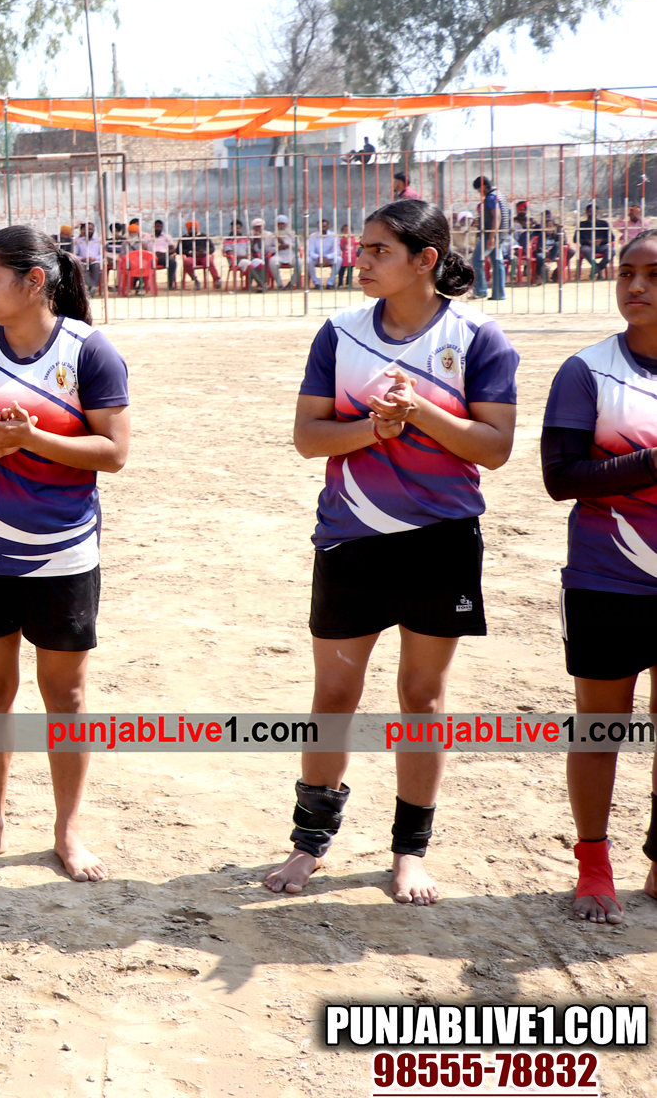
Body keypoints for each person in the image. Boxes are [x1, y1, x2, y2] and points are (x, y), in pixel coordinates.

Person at [265, 198, 519, 906]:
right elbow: (309, 436)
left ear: (425, 259)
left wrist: (421, 412)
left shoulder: (478, 337)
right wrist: (373, 431)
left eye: (379, 250)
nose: (362, 260)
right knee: (334, 695)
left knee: (422, 697)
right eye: (362, 248)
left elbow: (495, 448)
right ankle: (309, 843)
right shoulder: (340, 333)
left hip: (441, 540)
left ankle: (410, 851)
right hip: (350, 536)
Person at [0, 226, 130, 882]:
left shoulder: (89, 352)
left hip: (64, 552)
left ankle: (67, 832)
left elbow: (113, 452)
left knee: (65, 697)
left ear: (33, 281)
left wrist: (32, 438)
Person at [541, 230, 657, 922]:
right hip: (606, 579)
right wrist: (650, 463)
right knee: (600, 730)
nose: (636, 286)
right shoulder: (587, 371)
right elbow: (561, 477)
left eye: (654, 274)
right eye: (626, 273)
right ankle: (593, 865)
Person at [471, 175, 508, 301]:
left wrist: (491, 236)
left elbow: (497, 217)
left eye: (478, 190)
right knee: (497, 262)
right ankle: (499, 293)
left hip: (490, 235)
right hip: (501, 234)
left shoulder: (491, 197)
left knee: (476, 260)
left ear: (483, 186)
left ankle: (480, 291)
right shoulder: (499, 195)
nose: (479, 192)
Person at [307, 217, 341, 290]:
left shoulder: (333, 235)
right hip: (317, 257)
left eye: (324, 227)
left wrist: (327, 257)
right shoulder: (313, 236)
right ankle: (317, 283)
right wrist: (318, 257)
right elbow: (310, 251)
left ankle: (330, 283)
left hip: (329, 257)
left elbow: (337, 251)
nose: (322, 229)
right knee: (308, 260)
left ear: (328, 227)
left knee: (338, 260)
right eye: (320, 227)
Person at [178, 220, 213, 289]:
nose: (193, 230)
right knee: (187, 262)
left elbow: (212, 248)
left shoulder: (204, 236)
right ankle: (196, 280)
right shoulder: (183, 238)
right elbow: (178, 250)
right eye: (191, 229)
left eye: (194, 228)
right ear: (188, 229)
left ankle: (217, 279)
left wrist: (206, 252)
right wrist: (189, 252)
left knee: (209, 260)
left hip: (203, 256)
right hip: (191, 257)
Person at [149, 220, 175, 290]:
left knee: (172, 262)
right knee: (142, 263)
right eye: (157, 226)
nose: (159, 228)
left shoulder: (167, 237)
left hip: (163, 256)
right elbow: (143, 247)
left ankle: (170, 285)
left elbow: (173, 249)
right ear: (154, 227)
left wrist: (166, 253)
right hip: (151, 256)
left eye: (160, 227)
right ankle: (143, 284)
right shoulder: (148, 237)